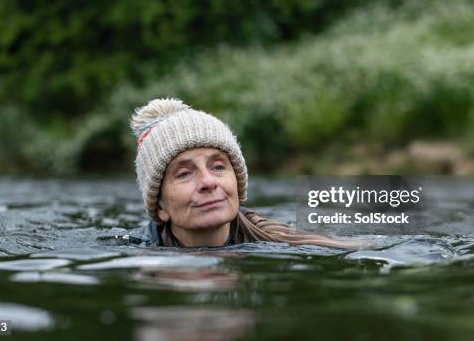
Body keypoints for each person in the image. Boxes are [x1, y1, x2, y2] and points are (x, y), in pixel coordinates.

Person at [130, 97, 362, 249]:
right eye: (183, 174)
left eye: (218, 167)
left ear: (238, 185)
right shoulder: (138, 252)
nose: (208, 182)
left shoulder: (280, 239)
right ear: (160, 208)